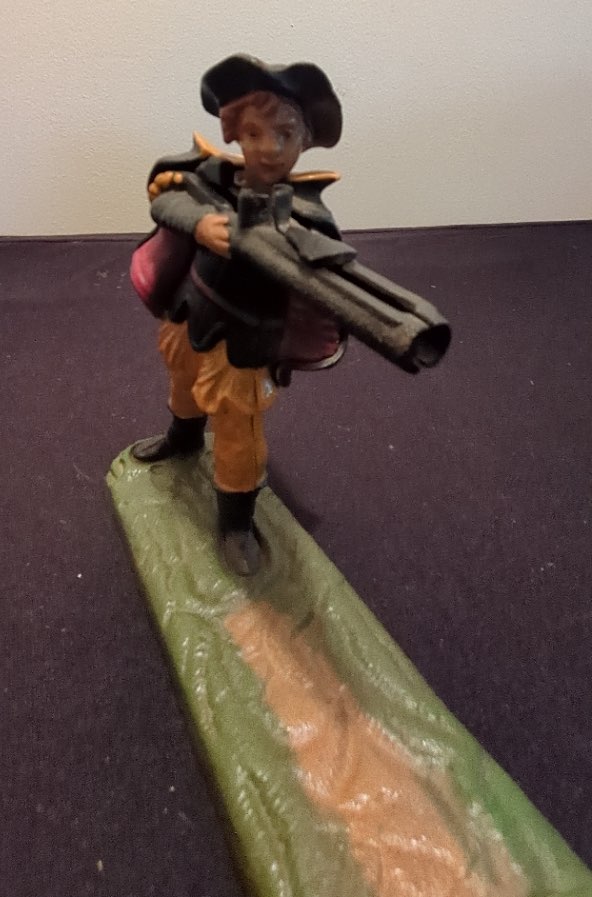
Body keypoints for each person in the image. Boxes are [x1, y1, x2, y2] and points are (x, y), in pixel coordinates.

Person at [131, 54, 346, 576]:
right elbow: (165, 201)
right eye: (253, 133)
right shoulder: (212, 176)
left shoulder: (307, 215)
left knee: (237, 430)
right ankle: (183, 438)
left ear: (304, 141)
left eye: (284, 135)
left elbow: (324, 278)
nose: (268, 147)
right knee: (183, 382)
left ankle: (236, 521)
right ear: (233, 134)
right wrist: (201, 224)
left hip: (246, 340)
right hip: (191, 310)